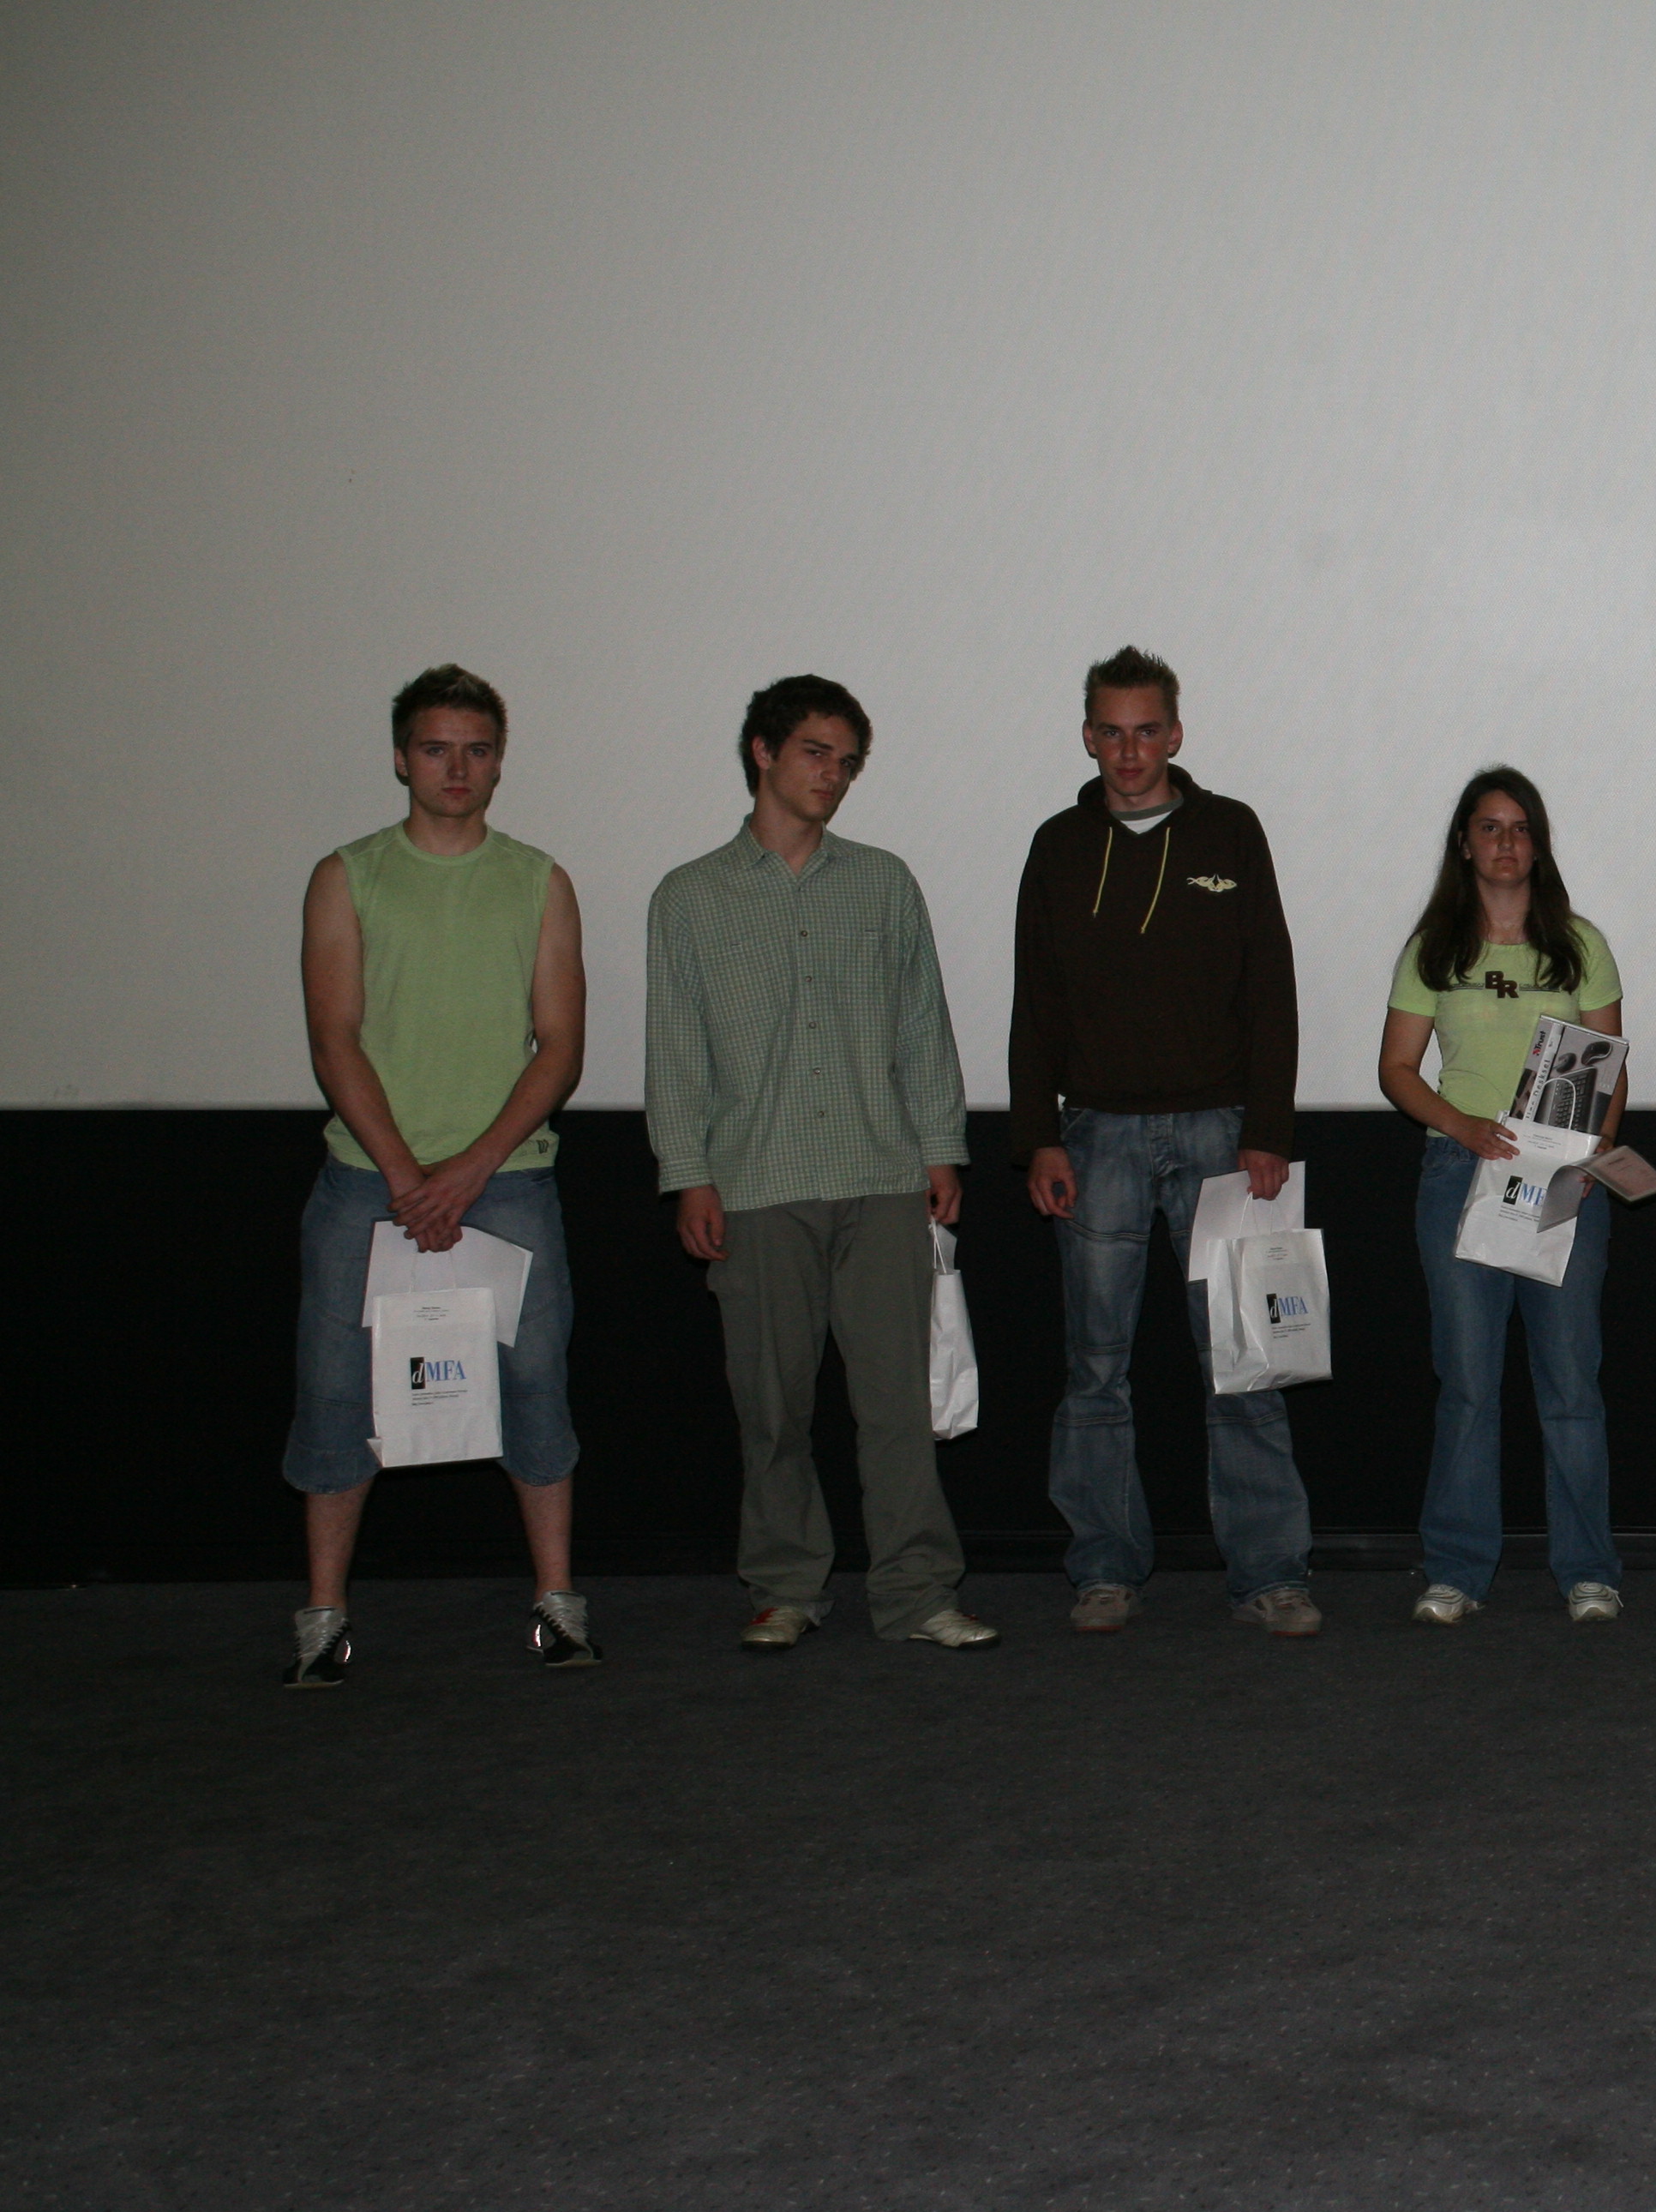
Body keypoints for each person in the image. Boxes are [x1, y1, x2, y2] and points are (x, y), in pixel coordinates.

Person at [645, 676, 994, 1653]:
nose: (832, 775)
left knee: (898, 1407)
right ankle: (786, 1586)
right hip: (755, 1184)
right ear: (763, 752)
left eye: (847, 762)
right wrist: (688, 1172)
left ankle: (918, 1593)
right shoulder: (690, 896)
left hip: (882, 1178)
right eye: (815, 753)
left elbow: (922, 1026)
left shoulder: (883, 883)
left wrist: (941, 1147)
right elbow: (675, 1048)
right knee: (772, 1408)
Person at [281, 665, 591, 1686]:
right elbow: (335, 1038)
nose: (456, 767)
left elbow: (558, 1046)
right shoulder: (347, 876)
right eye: (435, 747)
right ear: (400, 757)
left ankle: (559, 1603)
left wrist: (467, 1169)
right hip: (366, 1181)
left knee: (536, 1382)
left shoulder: (539, 881)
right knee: (335, 1392)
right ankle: (323, 1617)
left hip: (507, 1180)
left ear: (499, 762)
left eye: (477, 749)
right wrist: (408, 1174)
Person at [1009, 646, 1316, 1638]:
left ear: (1175, 734)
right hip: (1095, 1133)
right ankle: (1104, 1566)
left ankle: (1271, 1573)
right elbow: (1034, 1002)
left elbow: (1271, 987)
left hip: (1223, 1132)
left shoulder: (1232, 830)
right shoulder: (1058, 846)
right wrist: (1037, 1137)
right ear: (1088, 736)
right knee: (1095, 1366)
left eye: (1147, 731)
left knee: (1245, 1356)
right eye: (1112, 731)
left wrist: (1268, 1130)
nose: (1130, 751)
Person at [1377, 767, 1628, 1626]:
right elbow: (1397, 1069)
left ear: (1539, 843)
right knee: (1469, 1386)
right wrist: (1464, 1125)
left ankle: (1589, 1571)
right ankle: (1457, 1569)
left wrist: (1588, 1159)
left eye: (1521, 827)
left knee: (1571, 1385)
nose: (1506, 842)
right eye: (1490, 827)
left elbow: (1609, 1066)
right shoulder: (1434, 949)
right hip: (1461, 1175)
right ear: (1465, 843)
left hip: (1563, 1181)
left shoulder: (1580, 945)